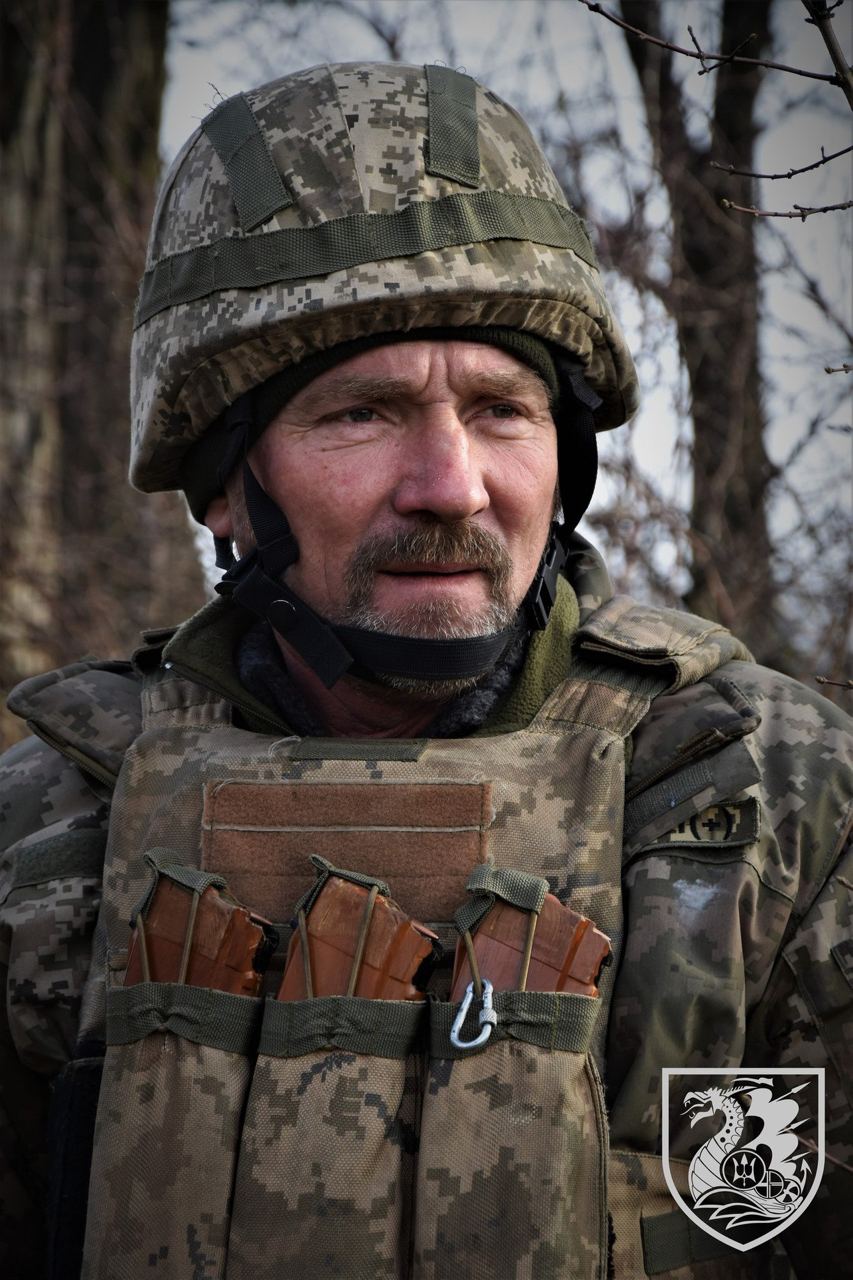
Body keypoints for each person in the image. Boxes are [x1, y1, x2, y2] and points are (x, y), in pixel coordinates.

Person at [0, 62, 849, 1280]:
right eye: (362, 412)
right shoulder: (49, 827)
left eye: (502, 408)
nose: (451, 486)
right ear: (225, 482)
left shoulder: (767, 803)